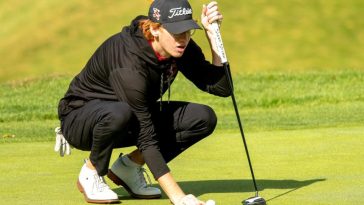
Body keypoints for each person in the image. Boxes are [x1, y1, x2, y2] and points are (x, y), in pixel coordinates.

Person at [57, 0, 230, 204]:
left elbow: (221, 87)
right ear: (155, 29)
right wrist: (179, 197)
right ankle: (91, 172)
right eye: (176, 32)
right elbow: (146, 137)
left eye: (187, 31)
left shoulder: (180, 46)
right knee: (120, 113)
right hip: (81, 120)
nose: (182, 39)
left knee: (202, 118)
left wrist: (213, 35)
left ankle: (128, 168)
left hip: (129, 116)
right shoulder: (128, 62)